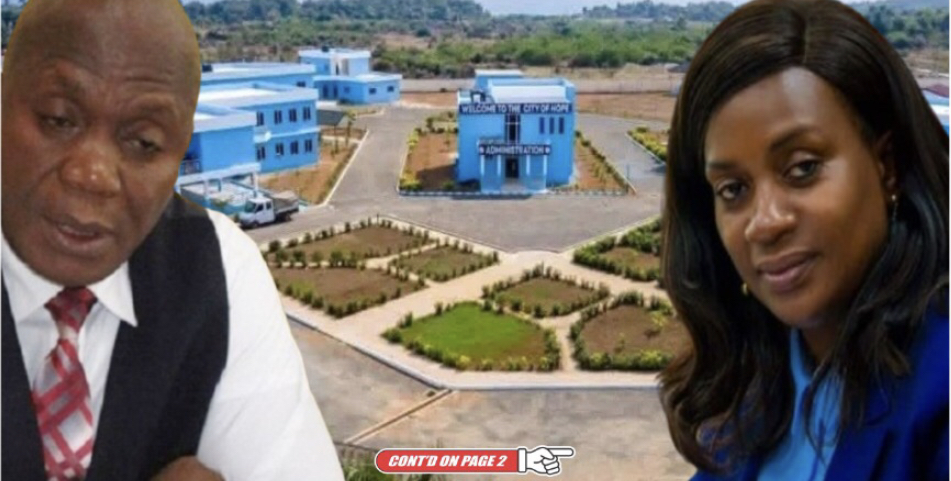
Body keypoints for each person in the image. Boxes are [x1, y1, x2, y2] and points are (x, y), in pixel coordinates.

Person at [1, 1, 344, 479]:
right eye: (59, 119)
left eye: (143, 143)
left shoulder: (217, 270)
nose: (92, 173)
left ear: (179, 154)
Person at [658, 0, 948, 480]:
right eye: (733, 190)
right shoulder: (752, 399)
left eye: (802, 168)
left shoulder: (940, 393)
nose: (765, 223)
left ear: (887, 166)